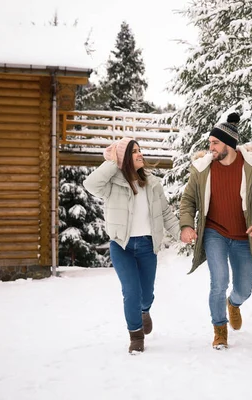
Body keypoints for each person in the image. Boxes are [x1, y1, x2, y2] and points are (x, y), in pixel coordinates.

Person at [179, 112, 252, 349]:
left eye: (215, 143)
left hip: (244, 235)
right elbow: (188, 200)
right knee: (218, 281)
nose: (210, 147)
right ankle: (220, 329)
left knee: (244, 289)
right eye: (210, 142)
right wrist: (186, 225)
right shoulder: (203, 169)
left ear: (229, 145)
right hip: (215, 233)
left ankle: (234, 304)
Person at [83, 137, 180, 354]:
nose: (139, 154)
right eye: (134, 151)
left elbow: (165, 213)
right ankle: (135, 335)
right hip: (122, 246)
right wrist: (112, 162)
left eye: (139, 150)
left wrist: (180, 233)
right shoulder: (112, 184)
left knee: (146, 295)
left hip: (147, 245)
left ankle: (144, 311)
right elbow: (90, 185)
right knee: (131, 291)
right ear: (124, 157)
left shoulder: (152, 183)